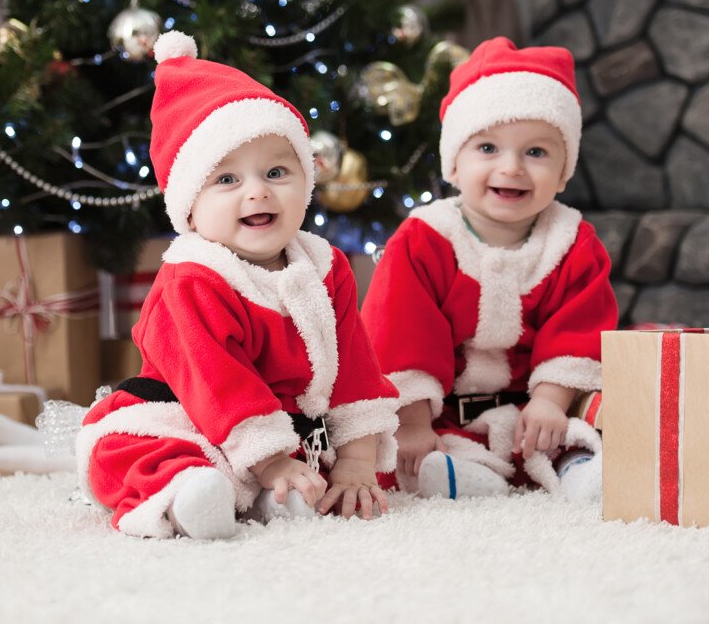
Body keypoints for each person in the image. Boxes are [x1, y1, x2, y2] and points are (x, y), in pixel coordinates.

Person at [77, 31, 400, 540]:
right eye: (226, 180)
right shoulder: (192, 278)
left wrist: (358, 459)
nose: (257, 191)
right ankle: (188, 498)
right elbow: (217, 384)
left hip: (287, 432)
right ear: (189, 203)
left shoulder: (324, 266)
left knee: (354, 472)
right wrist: (271, 462)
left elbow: (355, 366)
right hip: (193, 416)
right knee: (134, 450)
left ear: (306, 183)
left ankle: (282, 490)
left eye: (276, 171)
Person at [361, 36, 615, 502]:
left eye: (536, 153)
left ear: (564, 171)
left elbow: (579, 331)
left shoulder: (572, 242)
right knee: (410, 451)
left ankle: (576, 466)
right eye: (488, 148)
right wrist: (414, 422)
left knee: (595, 414)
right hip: (443, 416)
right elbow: (398, 334)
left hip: (537, 412)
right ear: (454, 163)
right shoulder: (425, 239)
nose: (512, 168)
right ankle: (455, 473)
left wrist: (550, 399)